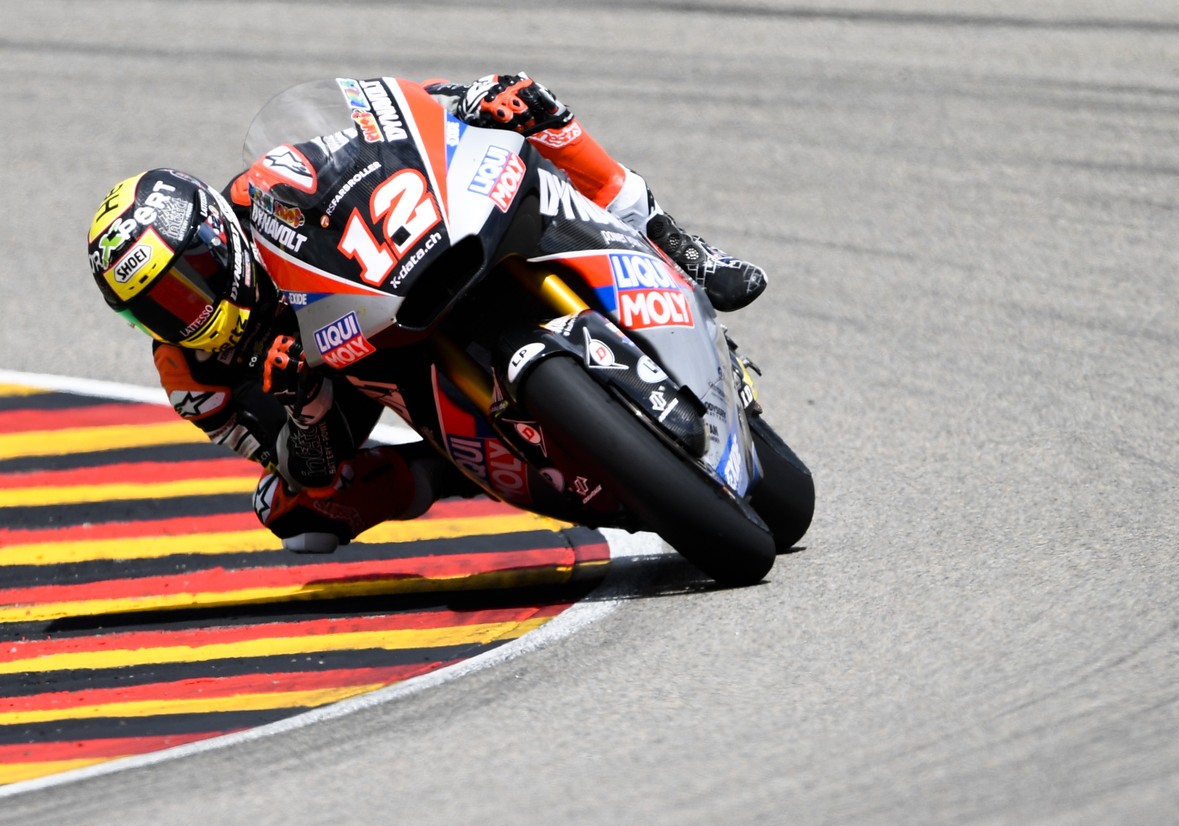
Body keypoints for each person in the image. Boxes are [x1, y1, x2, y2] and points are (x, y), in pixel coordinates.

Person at [85, 73, 768, 553]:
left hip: (388, 287)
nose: (180, 318)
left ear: (213, 241)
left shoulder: (266, 189)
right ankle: (449, 471)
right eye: (153, 313)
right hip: (345, 383)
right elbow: (301, 469)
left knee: (526, 103)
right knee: (294, 513)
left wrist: (464, 97)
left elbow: (384, 125)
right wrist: (304, 405)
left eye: (183, 290)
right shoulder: (190, 374)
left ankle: (673, 241)